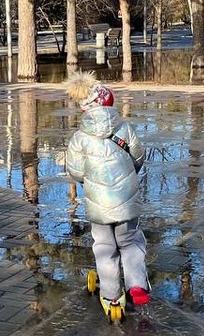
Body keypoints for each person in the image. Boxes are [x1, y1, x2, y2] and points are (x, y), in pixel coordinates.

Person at [63, 71, 150, 322]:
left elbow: (75, 171)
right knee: (131, 241)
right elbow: (138, 157)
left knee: (104, 247)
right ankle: (137, 285)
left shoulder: (79, 138)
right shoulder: (125, 128)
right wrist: (127, 176)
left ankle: (111, 294)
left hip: (98, 204)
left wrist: (91, 181)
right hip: (127, 201)